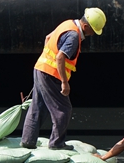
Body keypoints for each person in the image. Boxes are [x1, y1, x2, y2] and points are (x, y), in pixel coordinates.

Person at [20, 8, 106, 150]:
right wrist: (64, 83)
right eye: (92, 31)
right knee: (63, 109)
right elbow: (60, 57)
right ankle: (56, 144)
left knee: (38, 106)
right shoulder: (74, 36)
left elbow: (48, 38)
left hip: (40, 68)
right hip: (51, 74)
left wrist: (44, 60)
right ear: (86, 26)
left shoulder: (68, 23)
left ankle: (28, 141)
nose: (92, 35)